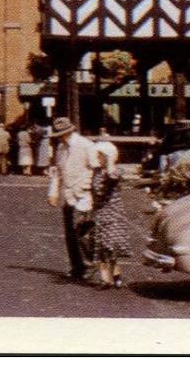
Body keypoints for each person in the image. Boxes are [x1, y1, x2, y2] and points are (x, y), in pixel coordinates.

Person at [46, 116, 99, 282]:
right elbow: (56, 172)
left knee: (83, 232)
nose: (60, 137)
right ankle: (77, 267)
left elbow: (95, 168)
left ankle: (90, 265)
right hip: (67, 195)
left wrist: (87, 187)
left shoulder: (86, 145)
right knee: (70, 233)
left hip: (83, 194)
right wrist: (53, 191)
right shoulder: (61, 148)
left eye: (62, 134)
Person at [91, 140, 131, 289]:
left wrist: (108, 162)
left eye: (100, 155)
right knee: (99, 246)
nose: (97, 158)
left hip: (113, 212)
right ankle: (105, 278)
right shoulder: (96, 171)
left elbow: (113, 177)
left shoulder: (117, 170)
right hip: (98, 212)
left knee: (111, 245)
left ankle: (116, 273)